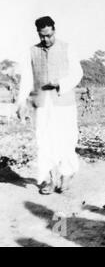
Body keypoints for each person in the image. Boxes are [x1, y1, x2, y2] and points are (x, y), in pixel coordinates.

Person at [16, 16, 83, 195]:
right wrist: (22, 102)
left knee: (66, 138)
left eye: (48, 35)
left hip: (63, 102)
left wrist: (60, 83)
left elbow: (77, 73)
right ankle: (50, 179)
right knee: (44, 140)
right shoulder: (32, 51)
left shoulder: (67, 48)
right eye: (42, 36)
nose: (45, 40)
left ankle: (66, 174)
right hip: (42, 103)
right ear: (38, 34)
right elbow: (26, 79)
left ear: (54, 30)